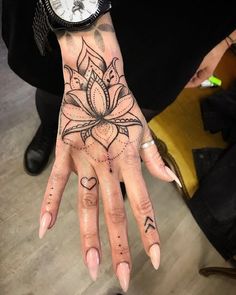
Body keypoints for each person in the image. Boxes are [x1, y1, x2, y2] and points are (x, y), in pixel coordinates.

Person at [2, 0, 236, 292]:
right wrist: (81, 28)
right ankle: (50, 127)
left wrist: (226, 37)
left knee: (137, 115)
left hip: (184, 29)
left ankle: (118, 164)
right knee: (57, 91)